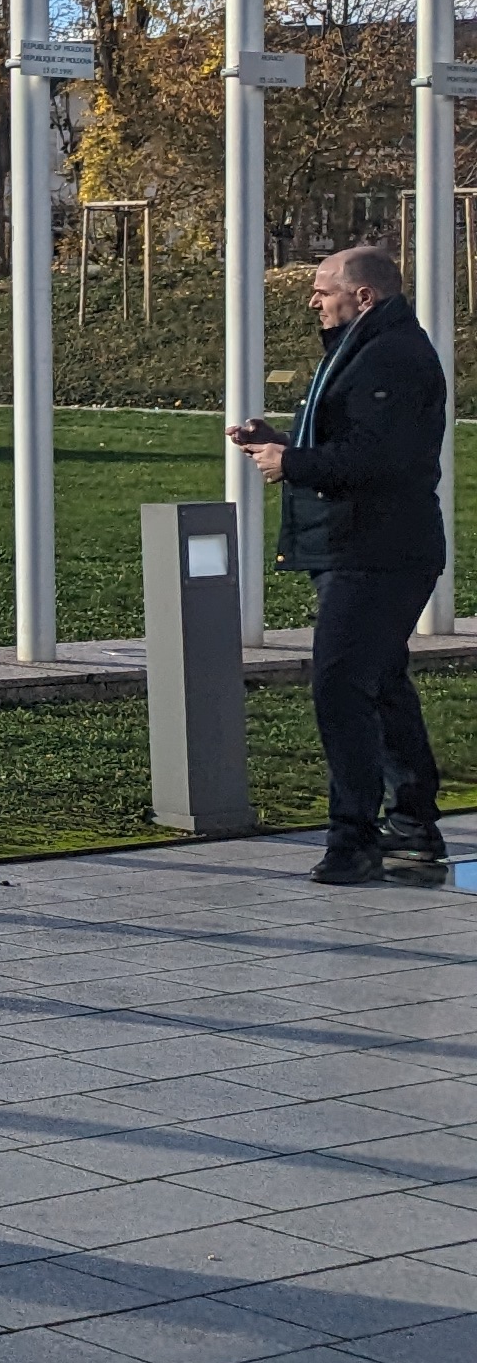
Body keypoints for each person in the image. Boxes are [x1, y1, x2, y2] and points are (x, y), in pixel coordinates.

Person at [229, 244, 453, 885]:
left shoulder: (392, 357)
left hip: (376, 552)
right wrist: (283, 443)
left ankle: (354, 841)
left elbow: (381, 459)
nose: (313, 300)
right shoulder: (365, 349)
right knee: (379, 684)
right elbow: (355, 442)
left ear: (364, 296)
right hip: (362, 547)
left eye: (324, 290)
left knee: (341, 688)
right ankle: (412, 830)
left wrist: (292, 463)